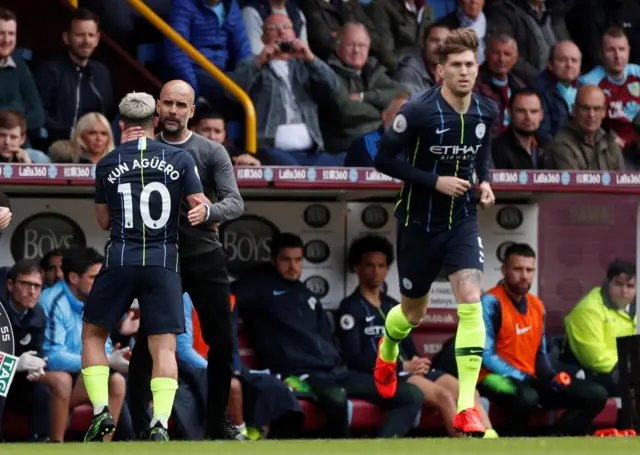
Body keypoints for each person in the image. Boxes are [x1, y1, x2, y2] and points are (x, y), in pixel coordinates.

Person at [373, 28, 498, 437]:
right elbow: (384, 159)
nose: (464, 72)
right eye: (456, 66)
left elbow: (483, 153)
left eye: (470, 65)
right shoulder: (420, 111)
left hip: (460, 221)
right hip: (418, 224)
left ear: (477, 68)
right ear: (441, 70)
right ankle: (388, 349)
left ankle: (466, 407)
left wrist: (485, 181)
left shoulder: (486, 110)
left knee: (470, 300)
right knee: (413, 314)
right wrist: (434, 180)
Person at [120, 80, 246, 440]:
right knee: (148, 342)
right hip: (160, 259)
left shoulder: (211, 151)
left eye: (181, 105)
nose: (174, 111)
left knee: (221, 343)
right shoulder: (141, 148)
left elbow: (235, 202)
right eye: (168, 103)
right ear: (157, 107)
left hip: (205, 256)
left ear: (192, 112)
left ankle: (216, 422)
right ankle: (142, 428)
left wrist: (209, 210)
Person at [79, 91, 207, 442]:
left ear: (121, 125)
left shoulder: (106, 163)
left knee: (92, 335)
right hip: (163, 263)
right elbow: (201, 207)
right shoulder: (179, 158)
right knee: (163, 347)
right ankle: (161, 423)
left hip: (120, 259)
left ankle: (102, 410)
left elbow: (104, 221)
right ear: (154, 122)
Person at [336, 235, 498, 438]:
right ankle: (466, 447)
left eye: (381, 265)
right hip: (385, 373)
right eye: (370, 265)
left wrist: (417, 362)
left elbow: (409, 348)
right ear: (357, 268)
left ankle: (490, 443)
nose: (376, 271)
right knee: (445, 396)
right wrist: (401, 367)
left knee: (470, 393)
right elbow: (354, 358)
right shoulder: (350, 308)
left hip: (409, 369)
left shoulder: (394, 305)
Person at [479, 243, 609, 436]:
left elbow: (539, 353)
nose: (524, 275)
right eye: (517, 269)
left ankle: (552, 439)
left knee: (596, 394)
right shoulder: (490, 302)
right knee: (527, 397)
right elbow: (486, 356)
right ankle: (510, 444)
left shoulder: (537, 305)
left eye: (529, 270)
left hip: (530, 379)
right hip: (490, 378)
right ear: (504, 270)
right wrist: (527, 379)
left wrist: (550, 377)